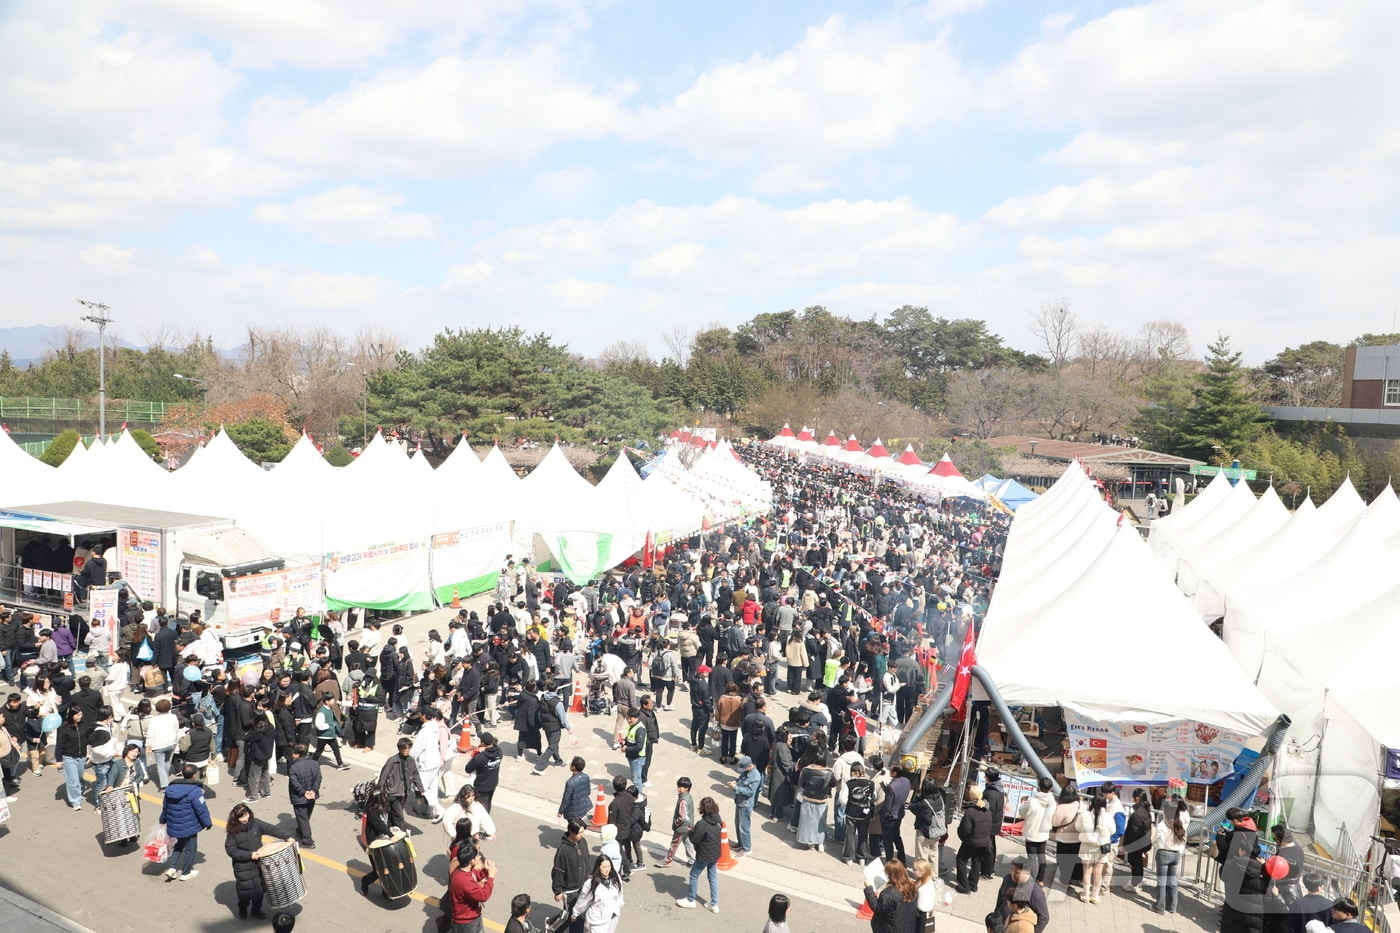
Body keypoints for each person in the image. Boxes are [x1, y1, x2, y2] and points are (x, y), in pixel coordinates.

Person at [225, 802, 292, 919]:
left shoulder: (256, 824)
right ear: (236, 818)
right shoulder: (233, 831)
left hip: (259, 864)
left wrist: (287, 836)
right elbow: (231, 850)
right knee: (245, 892)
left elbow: (272, 829)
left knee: (260, 891)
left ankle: (256, 910)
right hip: (242, 868)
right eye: (241, 817)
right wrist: (249, 855)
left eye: (245, 815)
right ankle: (243, 908)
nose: (244, 819)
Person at [159, 762, 212, 881]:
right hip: (190, 825)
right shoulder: (195, 790)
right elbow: (201, 809)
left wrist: (162, 819)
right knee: (191, 849)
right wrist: (207, 823)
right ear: (194, 775)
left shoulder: (170, 789)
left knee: (179, 844)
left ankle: (172, 868)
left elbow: (165, 807)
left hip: (174, 824)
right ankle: (186, 872)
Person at [675, 796, 722, 913]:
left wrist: (691, 831)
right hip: (715, 853)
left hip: (704, 855)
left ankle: (691, 900)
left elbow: (694, 840)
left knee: (694, 875)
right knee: (712, 877)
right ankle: (714, 903)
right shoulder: (718, 819)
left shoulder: (702, 823)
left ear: (702, 809)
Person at [358, 787, 403, 897]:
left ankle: (385, 891)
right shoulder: (372, 810)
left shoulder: (386, 805)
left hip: (385, 838)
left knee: (389, 867)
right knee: (379, 869)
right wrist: (391, 835)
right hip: (375, 841)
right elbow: (379, 824)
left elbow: (388, 820)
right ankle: (365, 881)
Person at [551, 819, 591, 933]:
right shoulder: (562, 851)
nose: (582, 835)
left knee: (577, 915)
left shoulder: (583, 842)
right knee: (575, 916)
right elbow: (558, 872)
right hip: (570, 891)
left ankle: (554, 926)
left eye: (583, 832)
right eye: (579, 833)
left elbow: (587, 861)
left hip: (583, 886)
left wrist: (589, 878)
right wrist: (557, 891)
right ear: (571, 832)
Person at [1151, 794, 1189, 914]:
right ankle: (1172, 907)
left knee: (1161, 882)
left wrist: (1160, 846)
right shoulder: (1180, 824)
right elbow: (1184, 840)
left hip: (1164, 854)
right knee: (1172, 881)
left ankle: (1160, 907)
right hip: (1176, 854)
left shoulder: (1162, 825)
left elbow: (1159, 841)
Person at [411, 706, 451, 821]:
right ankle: (432, 812)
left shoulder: (425, 731)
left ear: (424, 715)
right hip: (435, 762)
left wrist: (409, 760)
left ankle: (439, 810)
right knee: (432, 787)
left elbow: (416, 750)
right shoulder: (434, 727)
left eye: (421, 714)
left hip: (426, 764)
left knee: (420, 788)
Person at [1075, 791, 1115, 904]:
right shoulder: (1108, 817)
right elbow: (1113, 831)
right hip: (1102, 848)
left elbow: (1078, 827)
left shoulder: (1084, 815)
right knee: (1098, 873)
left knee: (1086, 872)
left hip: (1086, 846)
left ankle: (1086, 895)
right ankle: (1095, 896)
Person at [447, 843, 497, 933]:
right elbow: (483, 896)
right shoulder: (464, 881)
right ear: (472, 861)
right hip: (466, 923)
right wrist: (491, 877)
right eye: (476, 856)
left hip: (474, 915)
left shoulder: (463, 870)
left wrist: (485, 870)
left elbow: (474, 876)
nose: (478, 858)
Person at [379, 736, 426, 831]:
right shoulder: (392, 760)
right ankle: (403, 833)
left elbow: (415, 774)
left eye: (409, 748)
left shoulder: (411, 760)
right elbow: (383, 775)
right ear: (399, 748)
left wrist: (421, 789)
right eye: (405, 748)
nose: (407, 750)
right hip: (393, 792)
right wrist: (380, 790)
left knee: (395, 812)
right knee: (399, 815)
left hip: (404, 792)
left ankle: (391, 828)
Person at [955, 786, 996, 894]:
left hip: (972, 841)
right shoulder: (987, 810)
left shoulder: (970, 811)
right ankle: (973, 885)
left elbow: (965, 830)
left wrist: (963, 837)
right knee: (976, 862)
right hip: (984, 841)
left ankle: (964, 886)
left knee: (961, 860)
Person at [1016, 776, 1056, 885]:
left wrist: (1023, 803)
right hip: (1044, 832)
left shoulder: (1032, 800)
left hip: (1032, 832)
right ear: (1050, 789)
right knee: (1042, 855)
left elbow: (1022, 812)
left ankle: (1032, 880)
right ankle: (1040, 879)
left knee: (1032, 858)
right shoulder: (1052, 802)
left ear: (1039, 787)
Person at [863, 858, 921, 933]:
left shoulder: (888, 893)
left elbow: (877, 908)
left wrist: (869, 889)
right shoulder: (912, 886)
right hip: (907, 927)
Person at [572, 855, 625, 933]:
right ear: (598, 867)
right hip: (598, 920)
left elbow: (620, 892)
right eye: (604, 867)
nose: (607, 869)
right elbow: (583, 900)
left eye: (609, 866)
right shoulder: (591, 884)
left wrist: (619, 904)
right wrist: (575, 913)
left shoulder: (615, 877)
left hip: (612, 915)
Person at [794, 749, 834, 851]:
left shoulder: (806, 770)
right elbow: (833, 784)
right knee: (820, 823)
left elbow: (801, 783)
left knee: (807, 822)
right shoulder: (829, 772)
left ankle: (810, 843)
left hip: (808, 798)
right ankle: (820, 843)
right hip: (821, 800)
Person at [995, 859, 1049, 933]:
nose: (1012, 874)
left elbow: (1044, 918)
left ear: (1027, 873)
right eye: (1012, 870)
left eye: (1017, 872)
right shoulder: (1008, 879)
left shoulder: (1036, 892)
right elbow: (1001, 897)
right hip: (1000, 926)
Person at [1049, 783, 1083, 894]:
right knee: (1076, 859)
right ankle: (1077, 878)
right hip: (1078, 837)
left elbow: (1055, 822)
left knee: (1064, 861)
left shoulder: (1062, 807)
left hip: (1064, 838)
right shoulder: (1081, 804)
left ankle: (1064, 880)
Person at [287, 743, 321, 848]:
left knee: (303, 818)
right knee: (306, 815)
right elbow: (318, 778)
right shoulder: (314, 764)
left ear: (297, 754)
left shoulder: (293, 767)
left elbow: (295, 783)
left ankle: (307, 840)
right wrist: (313, 791)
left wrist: (304, 792)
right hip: (312, 796)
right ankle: (301, 830)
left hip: (300, 797)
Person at [1121, 786, 1154, 893]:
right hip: (1143, 842)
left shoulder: (1137, 814)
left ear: (1137, 798)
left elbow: (1133, 831)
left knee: (1136, 864)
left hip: (1136, 843)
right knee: (1138, 864)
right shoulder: (1146, 810)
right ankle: (1137, 882)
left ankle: (1135, 884)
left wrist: (1126, 845)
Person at [841, 762, 875, 864]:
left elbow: (842, 799)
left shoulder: (849, 784)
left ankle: (849, 857)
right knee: (863, 835)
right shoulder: (871, 784)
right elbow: (875, 797)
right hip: (865, 814)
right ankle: (862, 858)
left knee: (850, 835)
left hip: (851, 813)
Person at [910, 778, 947, 872]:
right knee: (934, 855)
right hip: (937, 832)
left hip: (925, 832)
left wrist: (917, 795)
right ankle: (934, 877)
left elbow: (912, 807)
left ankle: (923, 879)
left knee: (921, 857)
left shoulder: (924, 803)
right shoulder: (940, 799)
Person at [729, 755, 763, 855]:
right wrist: (735, 781)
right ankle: (741, 843)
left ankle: (746, 848)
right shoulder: (745, 772)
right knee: (737, 824)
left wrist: (735, 788)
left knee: (744, 827)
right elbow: (740, 778)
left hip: (746, 804)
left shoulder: (756, 776)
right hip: (739, 801)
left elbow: (749, 792)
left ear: (750, 766)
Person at [55, 705, 88, 810]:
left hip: (82, 756)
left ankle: (78, 793)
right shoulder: (65, 728)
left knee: (79, 777)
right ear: (71, 715)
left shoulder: (83, 725)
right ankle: (75, 801)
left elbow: (87, 739)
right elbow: (60, 744)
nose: (80, 717)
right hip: (69, 757)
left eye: (81, 714)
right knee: (72, 780)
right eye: (77, 715)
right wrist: (59, 759)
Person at [605, 775, 636, 880]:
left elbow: (611, 821)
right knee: (625, 848)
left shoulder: (614, 803)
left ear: (614, 787)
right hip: (627, 827)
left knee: (618, 850)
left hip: (618, 831)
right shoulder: (629, 797)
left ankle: (626, 866)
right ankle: (628, 863)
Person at [461, 732, 502, 811]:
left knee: (481, 808)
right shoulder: (499, 752)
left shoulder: (479, 757)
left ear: (482, 743)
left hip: (481, 786)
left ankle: (483, 821)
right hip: (493, 783)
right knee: (488, 803)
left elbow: (468, 769)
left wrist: (478, 753)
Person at [310, 691, 351, 770]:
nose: (334, 701)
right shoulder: (322, 712)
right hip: (324, 736)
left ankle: (340, 764)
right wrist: (329, 726)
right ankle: (312, 763)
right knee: (319, 750)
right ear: (326, 701)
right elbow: (318, 724)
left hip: (330, 735)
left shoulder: (329, 709)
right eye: (332, 699)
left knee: (336, 749)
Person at [662, 776, 696, 866]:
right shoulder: (688, 796)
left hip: (681, 827)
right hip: (688, 825)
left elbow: (682, 816)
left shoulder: (683, 800)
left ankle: (668, 860)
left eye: (681, 787)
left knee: (674, 844)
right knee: (687, 842)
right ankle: (692, 860)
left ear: (686, 788)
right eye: (678, 786)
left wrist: (676, 823)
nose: (678, 789)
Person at [881, 765, 911, 865]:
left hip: (890, 817)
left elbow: (887, 806)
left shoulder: (891, 787)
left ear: (895, 773)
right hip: (899, 814)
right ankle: (902, 860)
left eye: (891, 770)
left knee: (887, 841)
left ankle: (889, 862)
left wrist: (882, 816)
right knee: (897, 837)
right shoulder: (906, 781)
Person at [558, 756, 591, 823]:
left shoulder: (570, 782)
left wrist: (560, 811)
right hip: (583, 808)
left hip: (572, 812)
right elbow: (588, 792)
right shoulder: (586, 777)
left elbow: (566, 800)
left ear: (574, 767)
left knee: (573, 829)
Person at [621, 707, 648, 789]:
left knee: (636, 780)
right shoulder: (632, 726)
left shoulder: (640, 729)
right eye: (628, 718)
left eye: (630, 718)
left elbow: (639, 746)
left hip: (637, 758)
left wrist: (626, 749)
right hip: (632, 756)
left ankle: (640, 796)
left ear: (637, 717)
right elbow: (630, 737)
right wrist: (624, 742)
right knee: (635, 777)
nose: (629, 720)